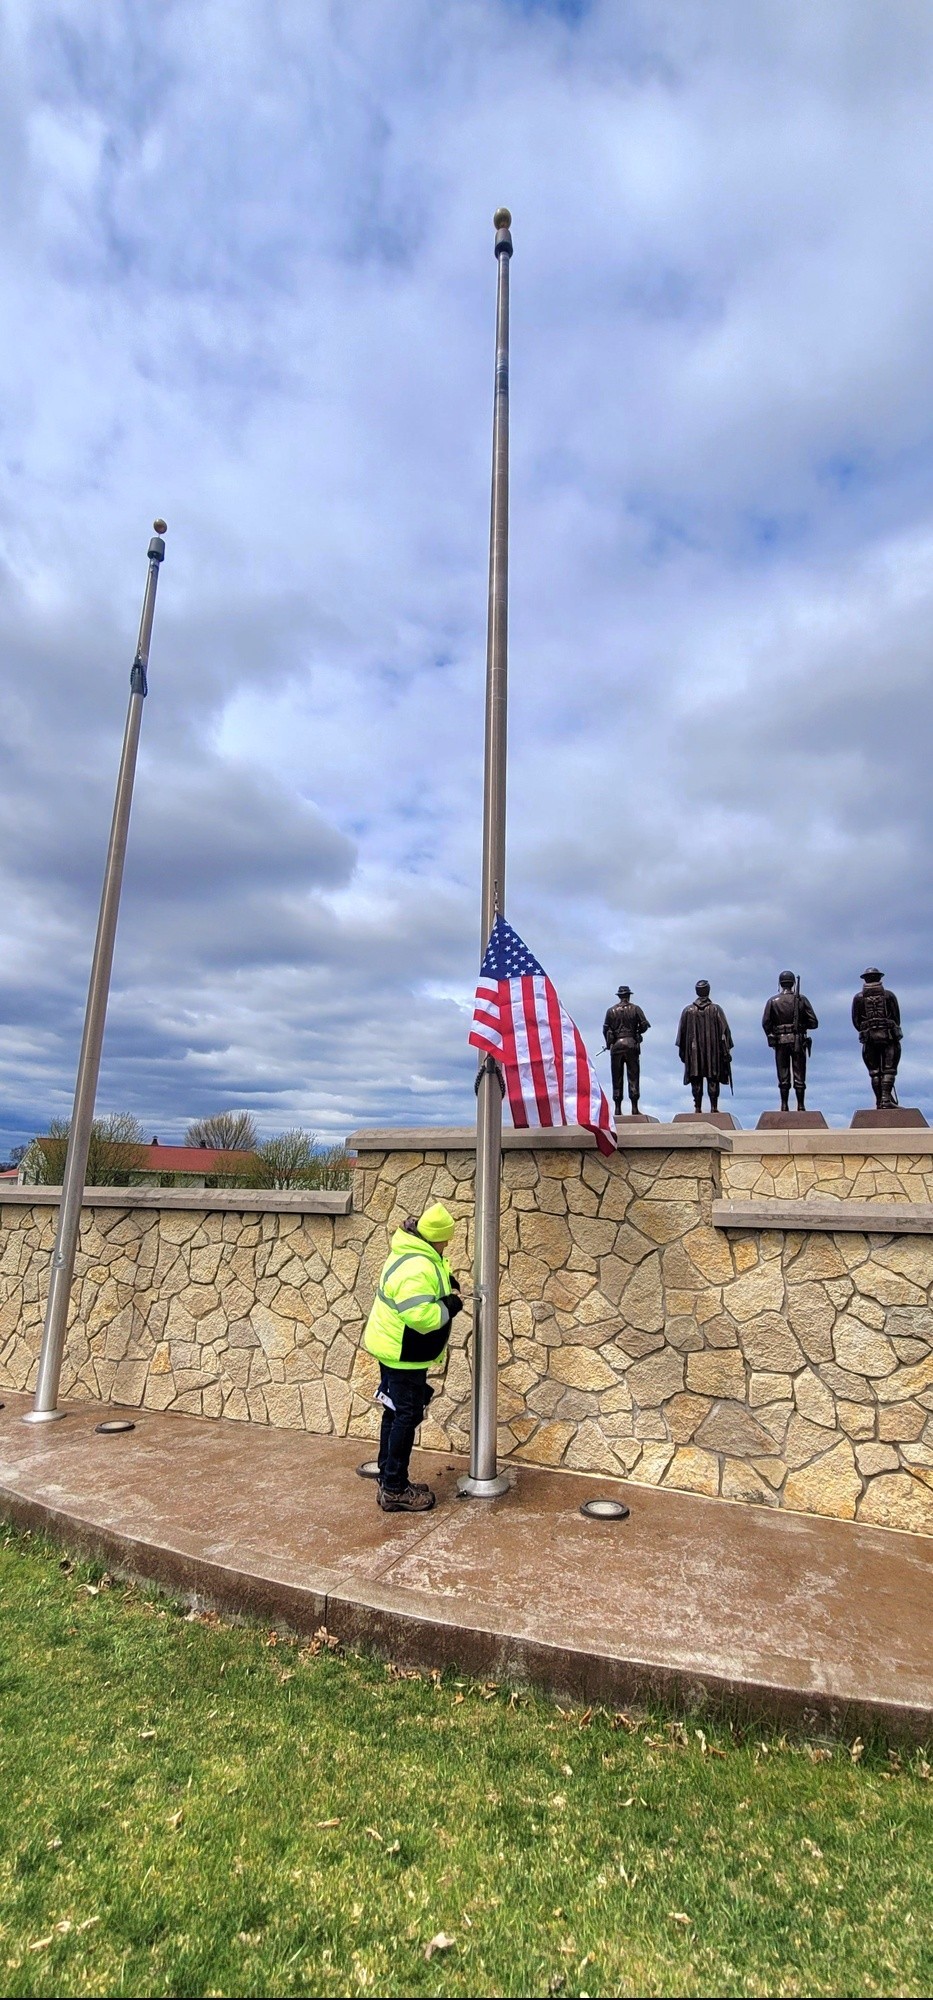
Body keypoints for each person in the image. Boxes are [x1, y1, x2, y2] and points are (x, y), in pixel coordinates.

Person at [362, 1200, 463, 1512]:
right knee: (407, 1414)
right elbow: (420, 1315)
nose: (447, 1244)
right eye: (445, 1239)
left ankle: (388, 1475)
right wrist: (450, 1306)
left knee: (393, 1411)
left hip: (392, 1348)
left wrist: (446, 1285)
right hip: (402, 1354)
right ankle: (394, 1488)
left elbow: (427, 1280)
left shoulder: (412, 1250)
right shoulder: (417, 1265)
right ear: (434, 1237)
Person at [762, 972, 818, 1112]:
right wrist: (801, 1025)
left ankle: (784, 1105)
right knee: (800, 1075)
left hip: (781, 1041)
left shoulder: (772, 1001)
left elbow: (766, 1023)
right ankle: (800, 1105)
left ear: (780, 984)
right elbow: (814, 1023)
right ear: (793, 983)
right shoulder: (801, 1000)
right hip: (797, 1040)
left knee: (783, 1075)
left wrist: (772, 1035)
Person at [676, 980, 734, 1112]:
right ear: (708, 991)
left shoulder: (688, 1011)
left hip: (694, 1053)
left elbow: (681, 1035)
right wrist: (726, 1051)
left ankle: (698, 1108)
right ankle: (714, 1107)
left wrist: (684, 1052)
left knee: (696, 1079)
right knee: (712, 1078)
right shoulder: (716, 1010)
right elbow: (725, 1032)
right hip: (712, 1052)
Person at [852, 968, 902, 1109]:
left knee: (874, 1072)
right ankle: (886, 1099)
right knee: (889, 1069)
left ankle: (880, 1100)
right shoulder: (888, 996)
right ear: (879, 978)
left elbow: (856, 1022)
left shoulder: (858, 998)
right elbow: (896, 1018)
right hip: (888, 1037)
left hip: (869, 1038)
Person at [602, 985, 650, 1116]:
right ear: (628, 996)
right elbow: (645, 1025)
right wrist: (638, 1032)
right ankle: (634, 1108)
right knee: (633, 1076)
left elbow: (605, 1029)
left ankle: (618, 1108)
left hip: (617, 1045)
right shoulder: (635, 1009)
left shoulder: (610, 1011)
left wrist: (608, 1043)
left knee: (616, 1077)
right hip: (631, 1044)